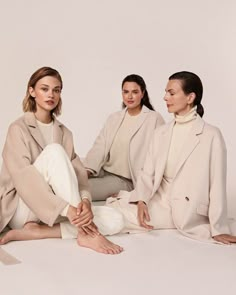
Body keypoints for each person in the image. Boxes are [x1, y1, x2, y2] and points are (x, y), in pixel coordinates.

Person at [0, 66, 124, 254]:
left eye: (56, 90)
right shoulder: (18, 128)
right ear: (32, 91)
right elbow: (23, 179)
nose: (51, 94)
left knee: (116, 219)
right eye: (44, 89)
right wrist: (69, 210)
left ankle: (40, 232)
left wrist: (85, 202)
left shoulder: (65, 133)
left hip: (56, 210)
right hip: (23, 208)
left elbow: (79, 177)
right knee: (55, 151)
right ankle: (84, 232)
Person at [106, 71, 236, 244]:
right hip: (157, 199)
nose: (165, 97)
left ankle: (63, 228)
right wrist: (142, 200)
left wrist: (219, 228)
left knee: (115, 218)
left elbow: (217, 184)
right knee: (112, 209)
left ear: (190, 98)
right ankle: (68, 223)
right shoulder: (161, 132)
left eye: (171, 93)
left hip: (186, 208)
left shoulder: (211, 135)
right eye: (166, 92)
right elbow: (148, 173)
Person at [84, 74, 165, 201]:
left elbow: (159, 157)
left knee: (80, 190)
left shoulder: (153, 119)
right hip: (103, 171)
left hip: (125, 180)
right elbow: (99, 146)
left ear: (142, 93)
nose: (130, 96)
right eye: (126, 92)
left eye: (135, 92)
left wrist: (139, 192)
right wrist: (87, 170)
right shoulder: (114, 118)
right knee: (69, 178)